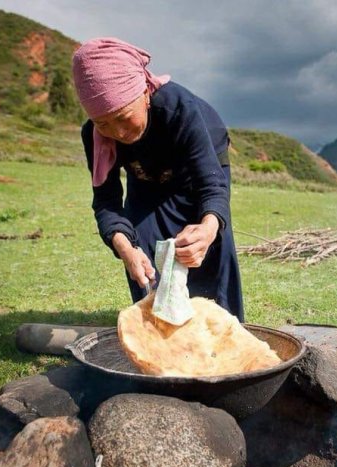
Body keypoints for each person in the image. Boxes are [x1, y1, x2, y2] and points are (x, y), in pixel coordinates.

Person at [72, 37, 244, 322]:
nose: (119, 132)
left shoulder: (180, 109)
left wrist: (209, 227)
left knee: (208, 245)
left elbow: (211, 185)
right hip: (147, 177)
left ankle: (222, 329)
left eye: (123, 117)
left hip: (197, 171)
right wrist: (126, 248)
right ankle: (159, 332)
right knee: (143, 243)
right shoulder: (95, 134)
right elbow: (106, 201)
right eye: (104, 123)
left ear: (144, 93)